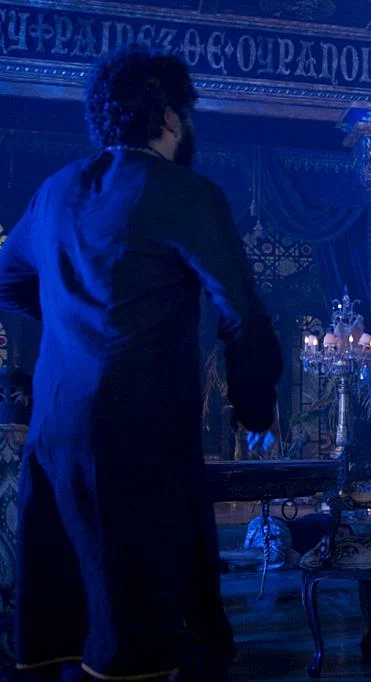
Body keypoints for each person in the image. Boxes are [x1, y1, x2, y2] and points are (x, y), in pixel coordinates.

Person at [0, 46, 282, 681]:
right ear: (171, 117)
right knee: (143, 633)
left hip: (54, 438)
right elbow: (243, 315)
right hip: (139, 437)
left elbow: (6, 282)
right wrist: (255, 407)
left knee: (69, 628)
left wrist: (72, 319)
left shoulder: (54, 192)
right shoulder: (186, 193)